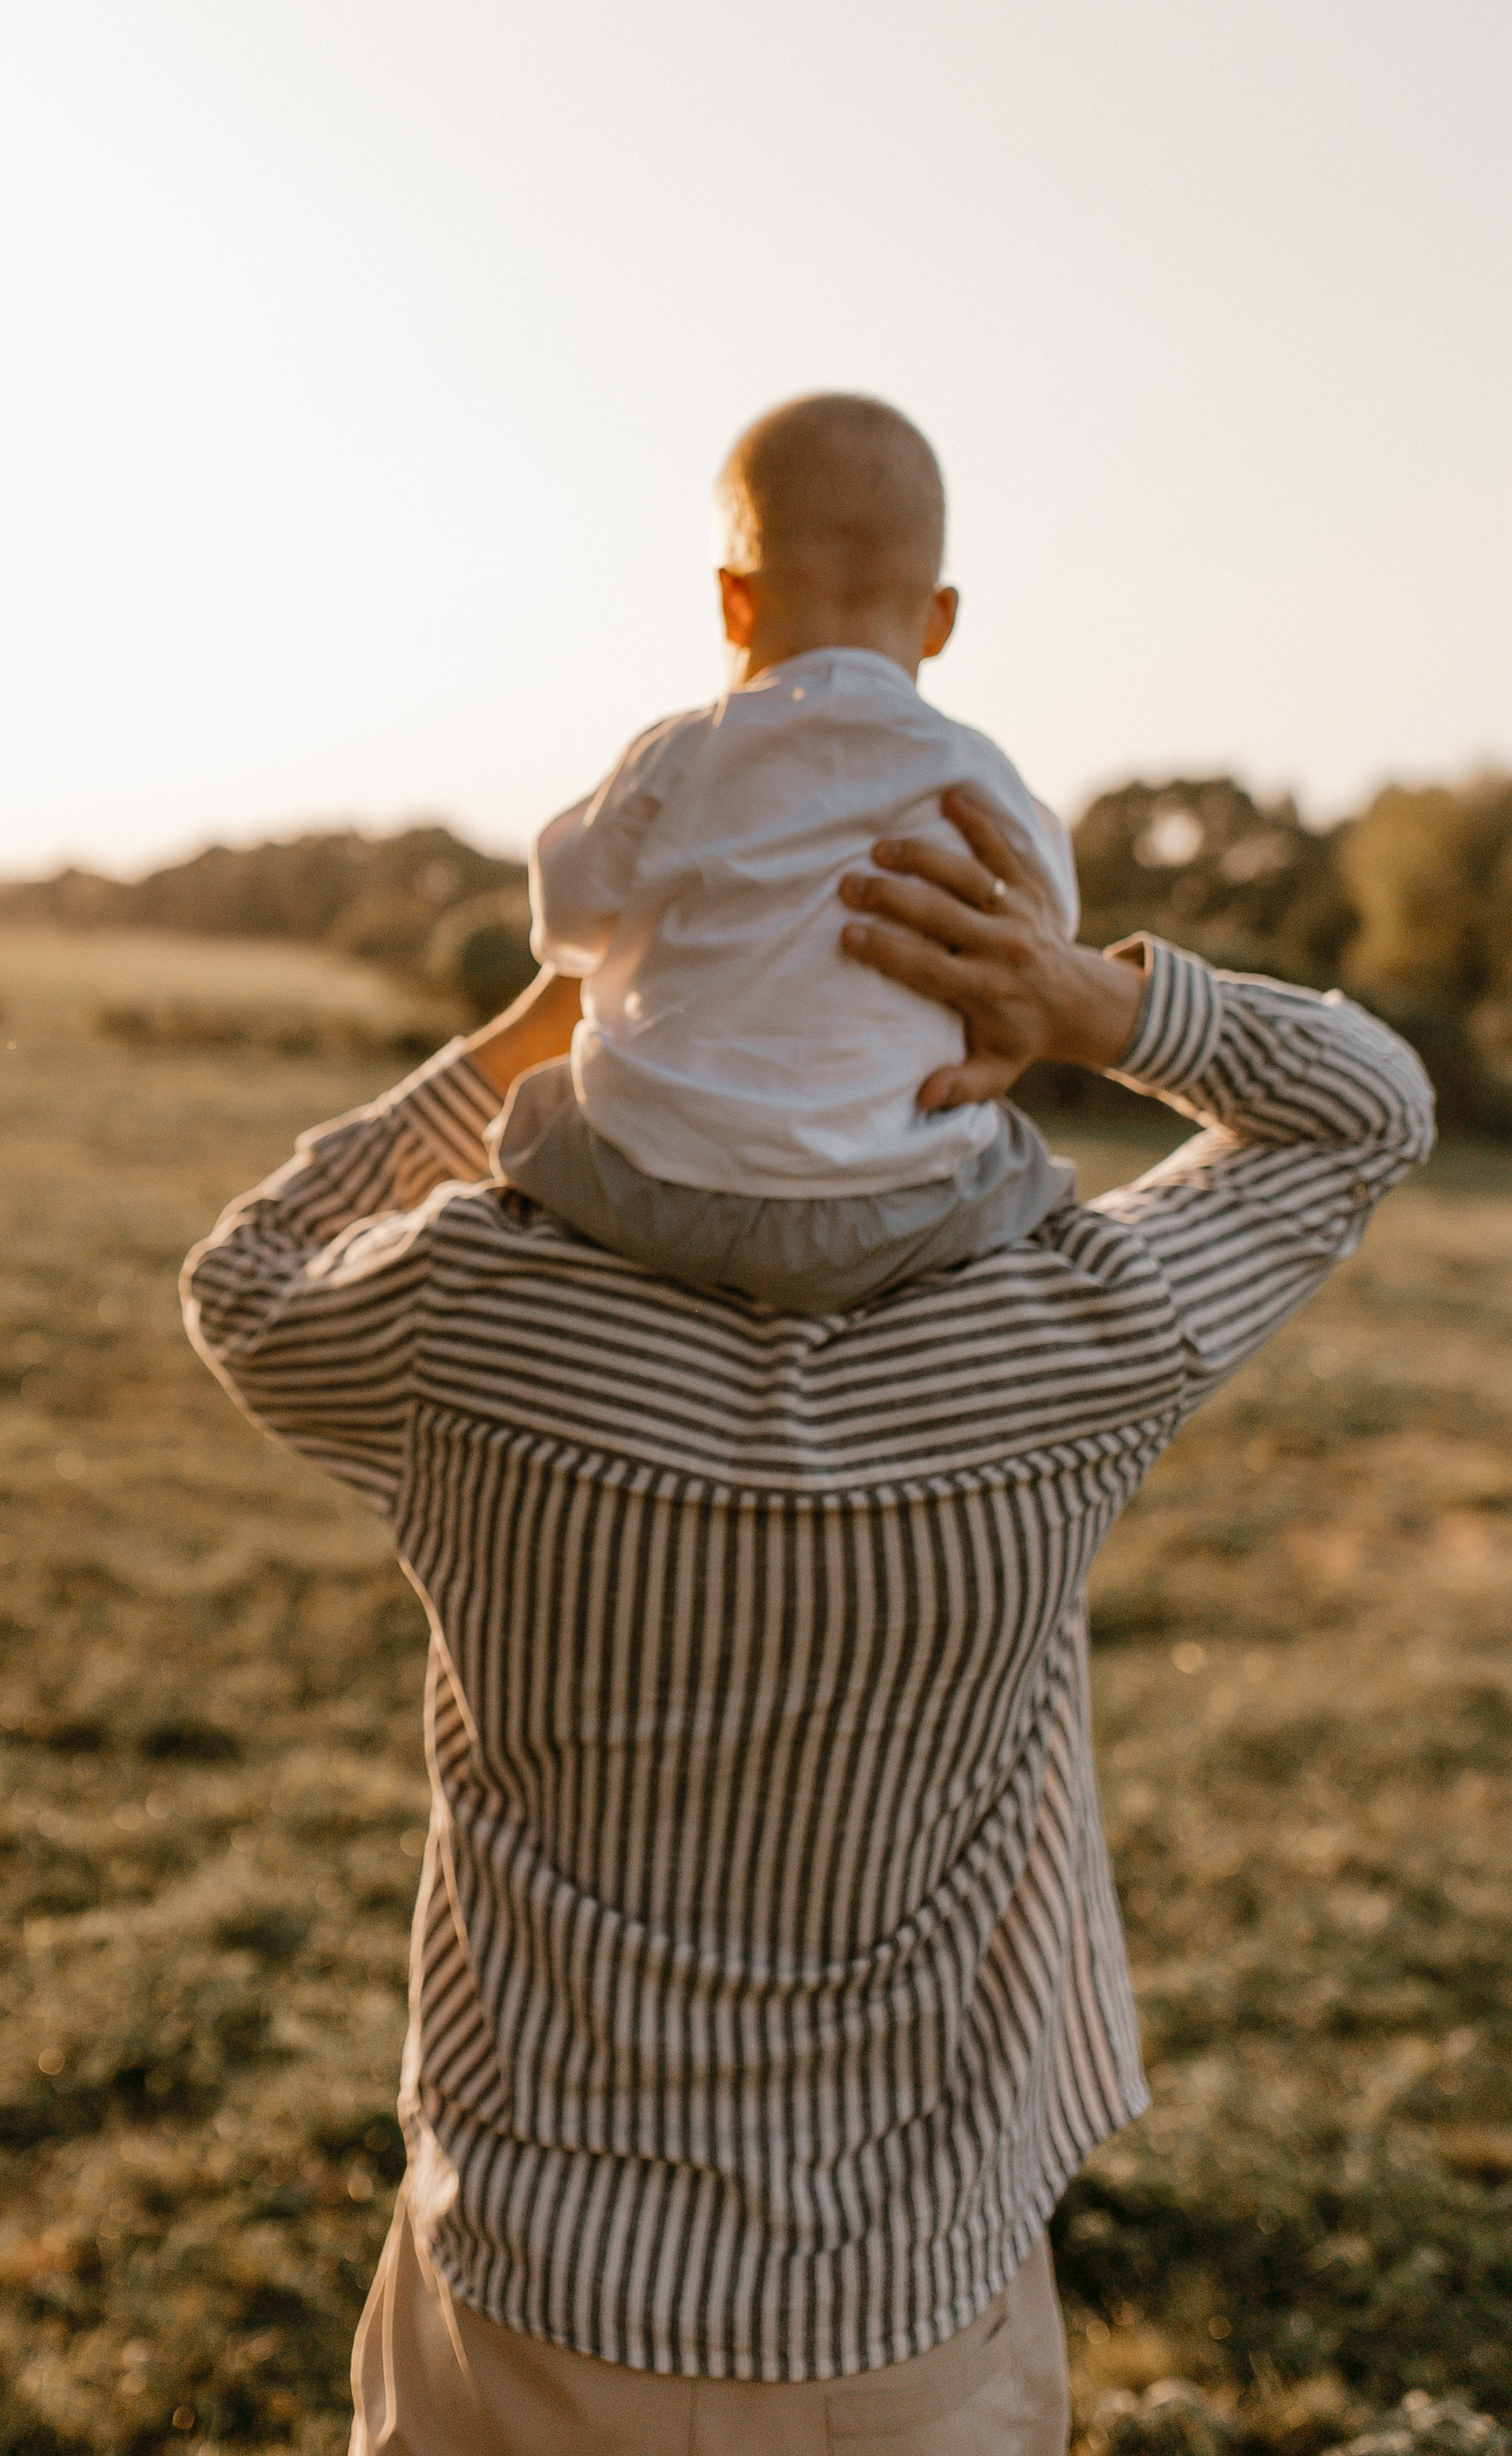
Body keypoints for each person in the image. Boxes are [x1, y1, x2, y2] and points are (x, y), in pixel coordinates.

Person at [183, 789, 1433, 2455]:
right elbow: (1369, 1112)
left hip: (525, 2292)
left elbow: (250, 1269)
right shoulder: (1072, 1339)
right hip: (900, 2321)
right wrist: (1094, 1005)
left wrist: (532, 1028)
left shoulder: (467, 1320)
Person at [502, 393, 1077, 1312]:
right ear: (939, 619)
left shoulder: (682, 751)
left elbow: (563, 928)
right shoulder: (982, 776)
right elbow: (1047, 934)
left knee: (538, 1107)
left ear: (735, 600)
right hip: (898, 1208)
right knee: (1024, 1162)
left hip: (655, 1193)